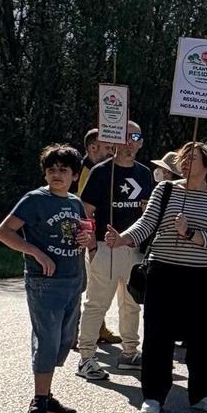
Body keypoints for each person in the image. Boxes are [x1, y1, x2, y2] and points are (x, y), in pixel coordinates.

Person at [107, 142, 207, 413]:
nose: (185, 162)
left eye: (193, 158)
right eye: (183, 157)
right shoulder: (165, 190)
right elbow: (146, 224)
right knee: (157, 336)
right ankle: (153, 395)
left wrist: (190, 234)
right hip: (163, 272)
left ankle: (202, 393)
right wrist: (122, 239)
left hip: (202, 277)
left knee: (202, 338)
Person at [0, 145, 95, 413]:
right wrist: (35, 253)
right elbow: (3, 232)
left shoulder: (75, 202)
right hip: (44, 282)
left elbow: (83, 236)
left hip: (72, 278)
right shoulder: (35, 199)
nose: (57, 174)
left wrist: (87, 242)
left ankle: (47, 397)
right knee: (48, 340)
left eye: (63, 169)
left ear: (75, 175)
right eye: (51, 169)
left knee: (64, 341)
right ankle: (38, 401)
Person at [75, 120, 153, 380]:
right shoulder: (101, 172)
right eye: (125, 136)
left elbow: (149, 214)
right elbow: (85, 210)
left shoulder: (144, 174)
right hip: (105, 247)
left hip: (134, 248)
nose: (130, 141)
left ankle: (130, 352)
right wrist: (92, 246)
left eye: (136, 136)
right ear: (115, 141)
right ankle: (86, 356)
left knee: (131, 304)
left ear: (141, 141)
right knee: (97, 303)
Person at [77, 129, 119, 345]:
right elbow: (84, 211)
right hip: (86, 240)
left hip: (99, 237)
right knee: (89, 287)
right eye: (108, 148)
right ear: (93, 148)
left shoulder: (102, 170)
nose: (113, 152)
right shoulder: (85, 172)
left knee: (96, 287)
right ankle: (79, 333)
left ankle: (99, 328)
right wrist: (91, 244)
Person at [75, 129, 115, 195]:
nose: (112, 153)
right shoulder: (75, 173)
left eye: (112, 148)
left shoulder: (114, 170)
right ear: (93, 148)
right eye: (107, 148)